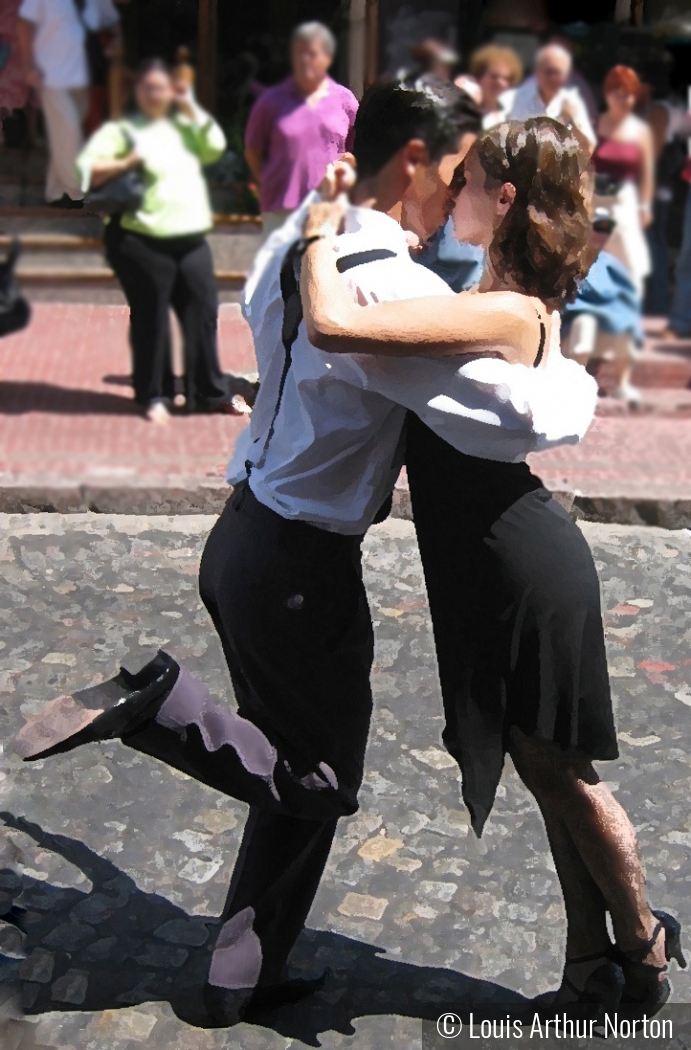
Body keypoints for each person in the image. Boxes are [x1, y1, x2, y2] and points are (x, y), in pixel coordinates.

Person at [17, 83, 599, 1026]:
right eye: (453, 174)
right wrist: (559, 356)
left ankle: (234, 977)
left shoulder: (298, 237)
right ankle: (160, 707)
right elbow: (514, 419)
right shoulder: (393, 286)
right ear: (412, 158)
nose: (455, 196)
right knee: (318, 780)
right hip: (300, 569)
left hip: (243, 533)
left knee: (287, 768)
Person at [299, 117, 684, 1014]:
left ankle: (642, 939)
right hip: (496, 560)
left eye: (466, 179)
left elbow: (330, 324)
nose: (452, 190)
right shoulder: (496, 300)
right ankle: (586, 966)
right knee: (541, 764)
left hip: (517, 567)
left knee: (561, 772)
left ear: (502, 200)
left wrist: (320, 231)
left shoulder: (504, 313)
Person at [76, 59, 237, 424]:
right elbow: (86, 170)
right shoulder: (122, 131)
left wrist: (190, 105)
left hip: (191, 237)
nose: (155, 95)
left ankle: (207, 393)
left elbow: (215, 145)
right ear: (138, 93)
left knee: (203, 313)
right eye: (148, 88)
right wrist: (129, 159)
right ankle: (155, 394)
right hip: (140, 238)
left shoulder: (186, 128)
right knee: (153, 319)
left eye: (161, 88)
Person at [244, 21, 358, 240]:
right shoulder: (270, 102)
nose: (305, 60)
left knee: (321, 271)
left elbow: (355, 152)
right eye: (299, 53)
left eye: (312, 54)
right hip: (282, 210)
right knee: (279, 272)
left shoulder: (345, 101)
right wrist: (267, 182)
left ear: (328, 58)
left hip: (330, 208)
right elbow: (252, 150)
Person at [16, 0, 121, 208]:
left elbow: (113, 22)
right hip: (51, 77)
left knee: (63, 135)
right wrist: (29, 67)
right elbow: (24, 25)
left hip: (83, 77)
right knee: (69, 130)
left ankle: (56, 192)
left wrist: (117, 42)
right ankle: (77, 191)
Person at [562, 206, 645, 401]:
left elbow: (624, 296)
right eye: (598, 228)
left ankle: (622, 385)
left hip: (607, 317)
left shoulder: (614, 261)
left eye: (607, 229)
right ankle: (575, 382)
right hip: (574, 316)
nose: (602, 234)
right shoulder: (572, 257)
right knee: (585, 326)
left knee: (626, 328)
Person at [592, 66, 655, 302]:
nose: (624, 100)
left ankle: (625, 322)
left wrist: (645, 206)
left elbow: (647, 173)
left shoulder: (641, 131)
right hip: (597, 197)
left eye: (629, 94)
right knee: (594, 260)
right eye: (619, 93)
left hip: (626, 200)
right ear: (608, 94)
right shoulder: (594, 124)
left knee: (630, 262)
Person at [508, 44, 595, 149]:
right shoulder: (516, 98)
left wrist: (572, 122)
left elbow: (589, 149)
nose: (553, 78)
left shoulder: (572, 102)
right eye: (549, 72)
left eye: (557, 73)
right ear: (537, 71)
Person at [465, 44, 524, 130]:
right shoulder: (467, 111)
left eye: (506, 78)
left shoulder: (511, 113)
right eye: (494, 76)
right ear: (479, 77)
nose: (500, 83)